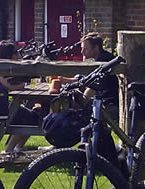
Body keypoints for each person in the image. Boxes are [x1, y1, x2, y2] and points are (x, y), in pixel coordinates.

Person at [49, 33, 121, 168]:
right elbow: (86, 79)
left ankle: (103, 154)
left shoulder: (105, 61)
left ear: (96, 48)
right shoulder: (99, 59)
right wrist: (64, 80)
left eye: (85, 48)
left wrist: (82, 99)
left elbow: (93, 85)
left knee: (78, 119)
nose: (82, 51)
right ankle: (61, 147)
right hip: (101, 102)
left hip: (109, 104)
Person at [0, 40, 40, 153]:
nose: (18, 55)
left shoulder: (4, 67)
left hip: (1, 104)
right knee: (28, 118)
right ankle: (8, 150)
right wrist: (24, 83)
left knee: (34, 117)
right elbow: (10, 86)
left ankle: (18, 148)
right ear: (9, 55)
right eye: (15, 52)